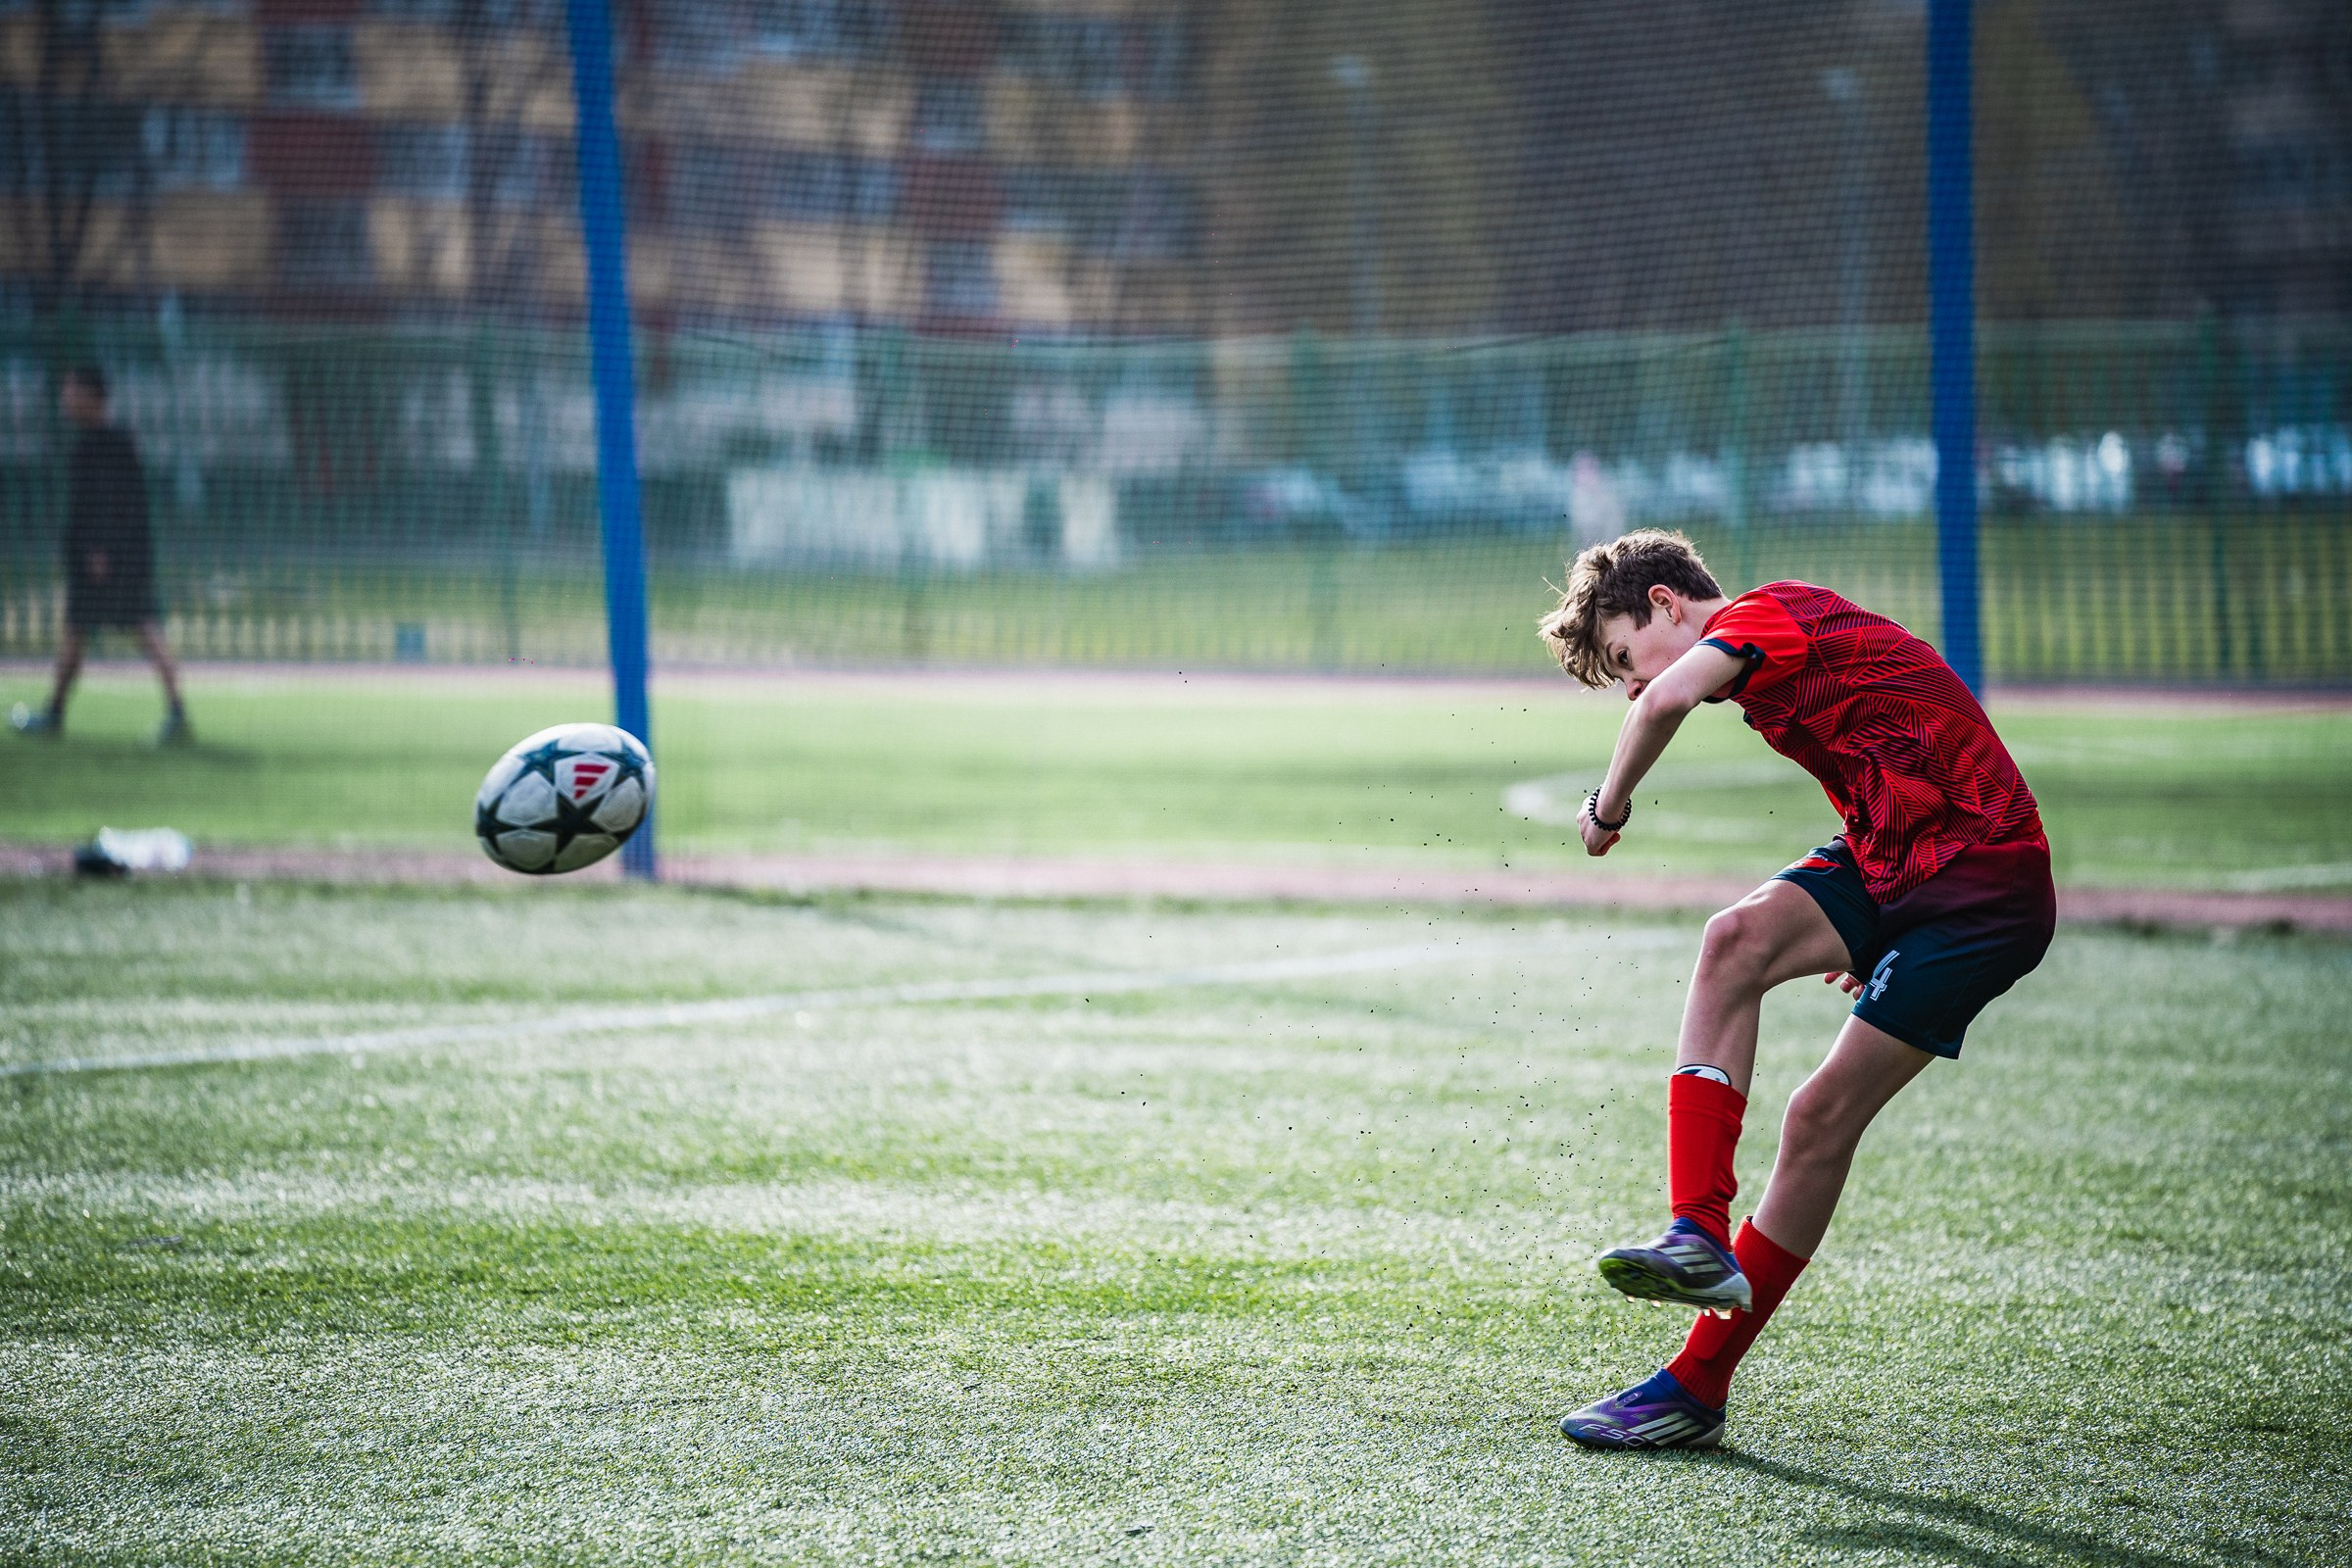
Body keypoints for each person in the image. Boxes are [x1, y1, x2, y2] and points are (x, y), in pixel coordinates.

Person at [1539, 529, 2052, 1449]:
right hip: (1902, 858)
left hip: (1985, 884)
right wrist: (1875, 916)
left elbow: (1666, 700)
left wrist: (1604, 809)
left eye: (1623, 658)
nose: (1633, 686)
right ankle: (1699, 1233)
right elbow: (1885, 756)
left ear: (1665, 605)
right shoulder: (1761, 665)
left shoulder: (1767, 614)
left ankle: (1695, 1385)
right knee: (1733, 941)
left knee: (1818, 1119)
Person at [11, 365, 189, 744]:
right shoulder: (92, 443)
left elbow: (112, 506)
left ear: (92, 395)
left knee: (142, 628)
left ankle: (177, 713)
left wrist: (99, 550)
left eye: (71, 390)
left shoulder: (109, 445)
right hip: (101, 559)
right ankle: (55, 712)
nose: (65, 399)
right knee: (78, 631)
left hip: (110, 562)